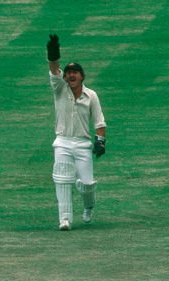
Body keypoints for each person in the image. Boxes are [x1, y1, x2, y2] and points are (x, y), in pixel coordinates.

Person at [45, 34, 106, 231]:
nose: (71, 75)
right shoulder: (59, 89)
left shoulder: (91, 96)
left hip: (82, 144)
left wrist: (100, 141)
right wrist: (53, 53)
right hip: (62, 141)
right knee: (62, 179)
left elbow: (99, 121)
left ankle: (88, 206)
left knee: (87, 185)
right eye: (69, 72)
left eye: (75, 72)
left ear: (82, 76)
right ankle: (65, 219)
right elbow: (54, 69)